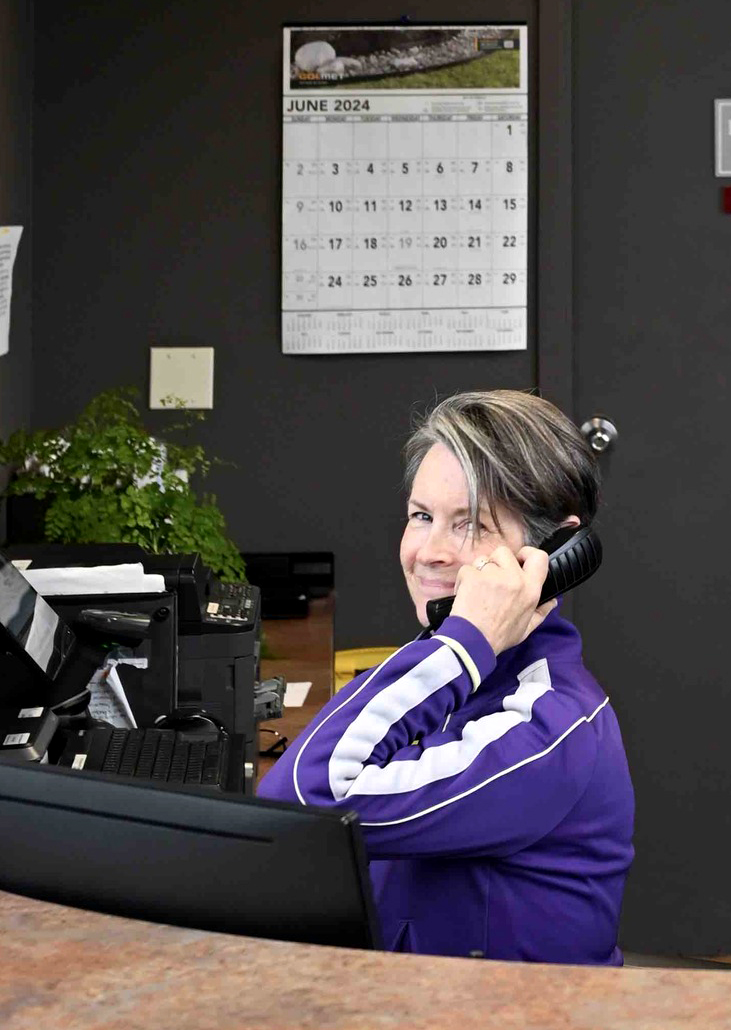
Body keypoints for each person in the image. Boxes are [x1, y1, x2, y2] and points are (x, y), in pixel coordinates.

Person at [259, 390, 634, 965]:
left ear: (553, 551)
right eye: (421, 517)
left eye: (472, 526)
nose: (429, 552)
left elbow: (303, 799)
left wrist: (461, 643)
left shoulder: (547, 728)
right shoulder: (462, 671)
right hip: (419, 1009)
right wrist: (458, 647)